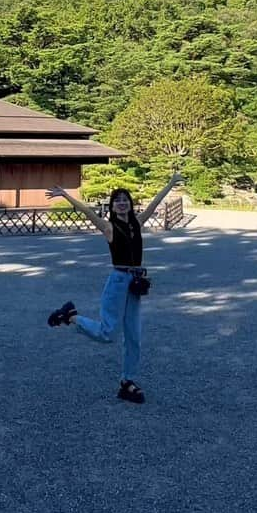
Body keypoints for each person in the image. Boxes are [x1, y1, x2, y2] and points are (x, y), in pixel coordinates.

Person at [45, 173, 183, 404]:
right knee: (108, 333)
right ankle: (71, 317)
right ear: (112, 206)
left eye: (125, 199)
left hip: (135, 283)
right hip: (118, 282)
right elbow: (87, 212)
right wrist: (67, 195)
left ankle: (127, 381)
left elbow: (154, 204)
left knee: (134, 337)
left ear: (129, 203)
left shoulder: (136, 224)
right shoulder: (109, 228)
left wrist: (169, 184)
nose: (121, 202)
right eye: (117, 200)